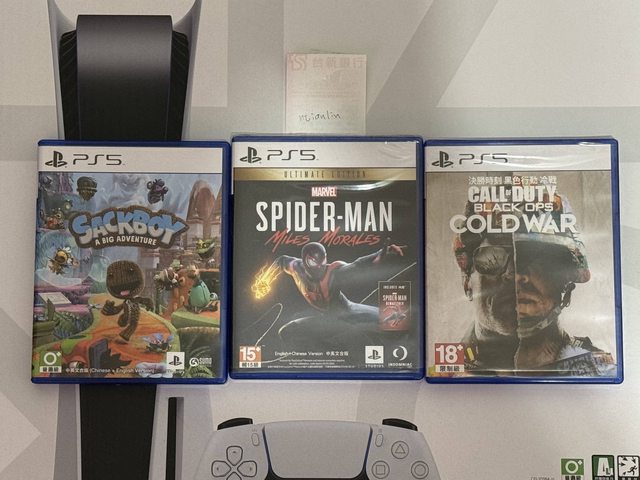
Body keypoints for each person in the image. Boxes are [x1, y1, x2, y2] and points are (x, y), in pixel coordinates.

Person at [453, 192, 616, 376]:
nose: (514, 274)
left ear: (565, 279)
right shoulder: (445, 374)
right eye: (492, 258)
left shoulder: (602, 373)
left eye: (534, 257)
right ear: (467, 282)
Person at [253, 241, 405, 350]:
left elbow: (357, 264)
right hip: (326, 319)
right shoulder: (295, 267)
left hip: (348, 311)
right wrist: (265, 279)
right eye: (313, 263)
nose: (319, 267)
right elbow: (280, 261)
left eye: (322, 261)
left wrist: (378, 255)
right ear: (304, 262)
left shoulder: (333, 271)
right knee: (286, 332)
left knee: (395, 322)